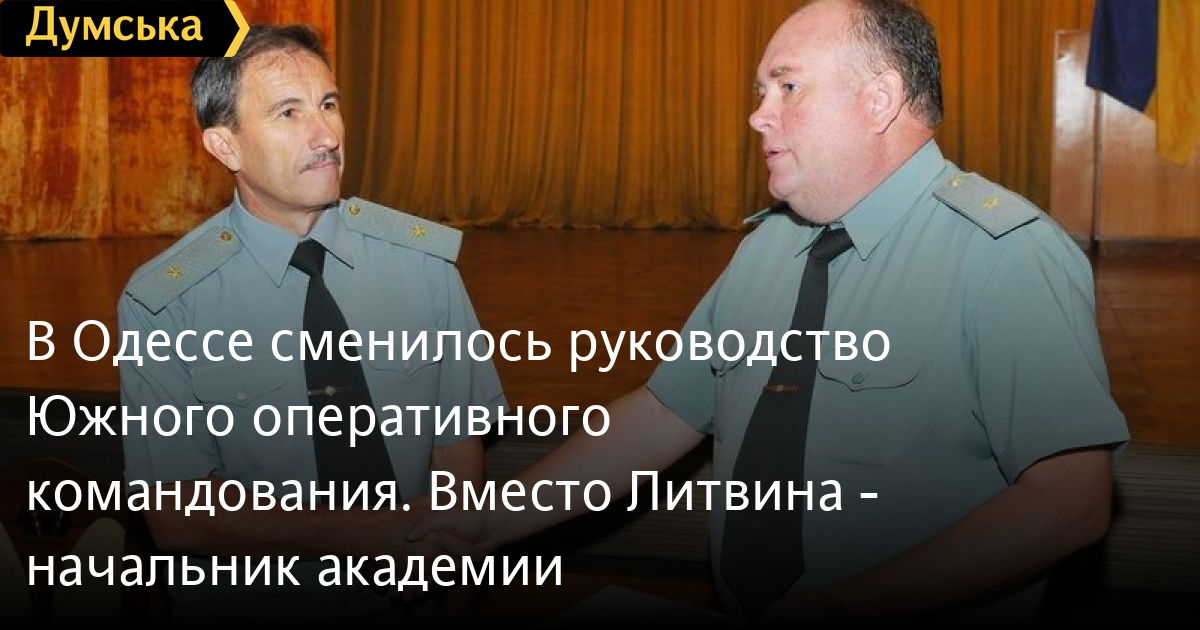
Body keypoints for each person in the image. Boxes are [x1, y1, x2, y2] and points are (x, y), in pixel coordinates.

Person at [409, 0, 1129, 624]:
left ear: (879, 99)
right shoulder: (769, 248)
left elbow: (1070, 503)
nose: (758, 113)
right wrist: (489, 521)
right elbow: (665, 413)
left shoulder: (1004, 255)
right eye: (761, 90)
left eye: (787, 86)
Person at [118, 25, 505, 624]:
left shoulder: (422, 264)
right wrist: (375, 534)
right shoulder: (167, 303)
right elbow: (179, 516)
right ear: (225, 147)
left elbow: (458, 452)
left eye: (328, 104)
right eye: (288, 112)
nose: (326, 135)